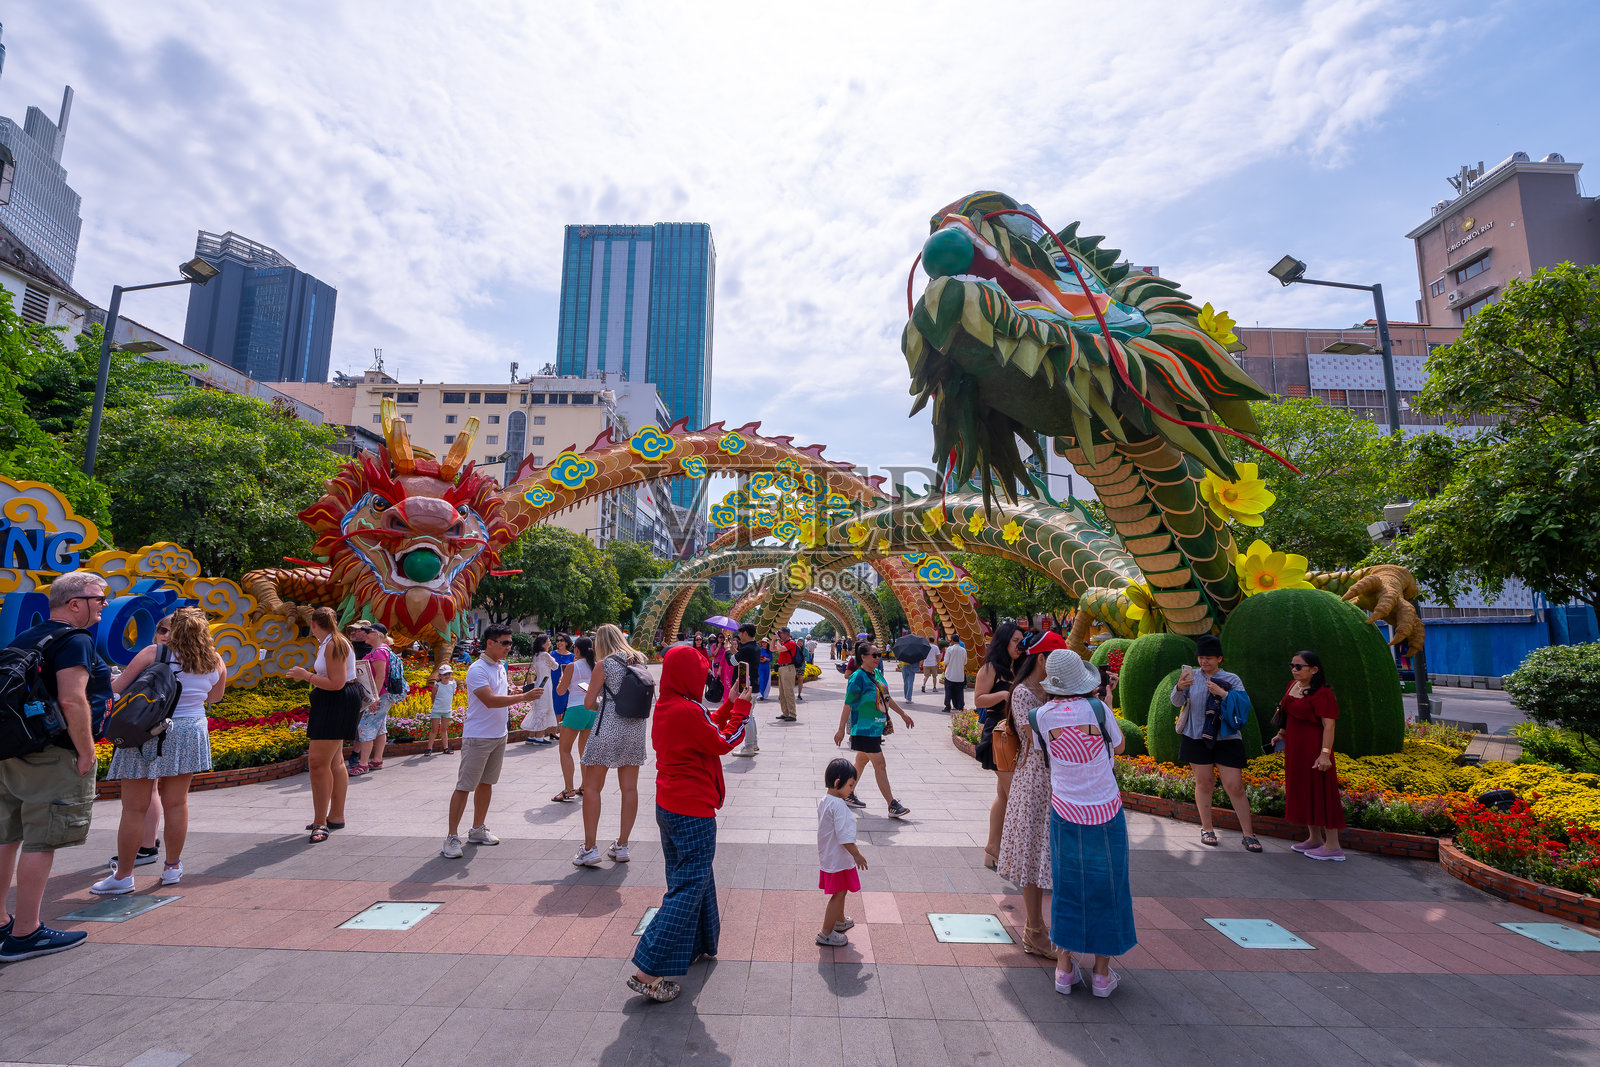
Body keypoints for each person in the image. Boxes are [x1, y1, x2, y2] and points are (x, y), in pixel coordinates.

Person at [627, 644, 751, 1003]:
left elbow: (706, 723)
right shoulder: (684, 708)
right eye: (701, 672)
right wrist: (742, 710)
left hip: (670, 806)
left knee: (693, 879)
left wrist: (729, 703)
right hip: (692, 810)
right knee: (686, 887)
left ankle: (698, 943)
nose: (705, 678)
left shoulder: (672, 704)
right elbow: (721, 741)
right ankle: (646, 971)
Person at [0, 572, 108, 962]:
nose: (104, 606)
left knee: (7, 835)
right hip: (53, 752)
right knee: (41, 840)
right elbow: (72, 701)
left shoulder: (27, 637)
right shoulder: (74, 639)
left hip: (14, 750)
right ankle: (26, 932)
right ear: (75, 603)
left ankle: (1, 924)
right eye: (99, 599)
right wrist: (86, 750)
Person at [92, 606, 226, 895]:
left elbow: (117, 688)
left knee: (133, 808)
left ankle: (124, 876)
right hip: (191, 730)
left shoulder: (155, 653)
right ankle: (172, 867)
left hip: (147, 729)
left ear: (174, 629)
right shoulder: (215, 660)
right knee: (177, 804)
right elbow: (215, 697)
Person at [1034, 649, 1136, 998]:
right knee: (1108, 887)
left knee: (1067, 887)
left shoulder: (1040, 716)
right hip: (1106, 810)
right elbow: (1119, 747)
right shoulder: (1097, 709)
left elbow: (1044, 753)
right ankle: (1102, 976)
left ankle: (1064, 970)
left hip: (1065, 812)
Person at [995, 632, 1068, 957]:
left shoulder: (1056, 691)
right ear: (1042, 659)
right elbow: (1037, 738)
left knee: (1045, 855)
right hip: (1034, 782)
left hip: (1058, 781)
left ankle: (1040, 928)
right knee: (1032, 853)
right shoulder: (1024, 692)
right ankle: (1034, 929)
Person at [441, 624, 536, 858]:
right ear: (490, 643)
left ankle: (477, 829)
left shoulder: (500, 666)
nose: (508, 647)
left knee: (487, 783)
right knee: (465, 786)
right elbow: (489, 700)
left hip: (498, 735)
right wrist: (523, 697)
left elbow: (498, 692)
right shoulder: (477, 669)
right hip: (478, 736)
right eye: (504, 643)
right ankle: (452, 837)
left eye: (510, 643)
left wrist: (514, 690)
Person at [1168, 635, 1262, 853]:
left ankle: (1248, 834)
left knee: (1235, 786)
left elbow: (1242, 706)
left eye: (1209, 658)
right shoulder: (1191, 675)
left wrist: (1223, 693)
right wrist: (1179, 687)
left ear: (1220, 658)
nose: (1204, 662)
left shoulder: (1232, 678)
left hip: (1226, 738)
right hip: (1196, 736)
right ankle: (1207, 828)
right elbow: (1176, 702)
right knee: (1204, 783)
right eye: (1201, 657)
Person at [573, 624, 649, 867]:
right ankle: (623, 845)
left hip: (607, 730)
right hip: (635, 731)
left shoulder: (603, 665)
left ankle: (590, 849)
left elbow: (588, 703)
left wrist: (601, 702)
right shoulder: (640, 660)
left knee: (593, 788)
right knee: (630, 789)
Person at [286, 607, 362, 843]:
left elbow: (336, 683)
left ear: (314, 624)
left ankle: (321, 822)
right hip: (336, 701)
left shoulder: (333, 644)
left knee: (318, 763)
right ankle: (335, 815)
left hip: (335, 701)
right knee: (335, 761)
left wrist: (305, 675)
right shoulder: (332, 642)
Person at [1274, 650, 1346, 861]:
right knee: (1305, 791)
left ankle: (1333, 846)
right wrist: (1281, 734)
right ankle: (1314, 838)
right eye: (1292, 665)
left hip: (1315, 749)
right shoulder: (1292, 686)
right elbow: (1286, 713)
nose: (1294, 670)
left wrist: (1325, 754)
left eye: (1299, 666)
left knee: (1322, 793)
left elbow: (1329, 726)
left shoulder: (1323, 693)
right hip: (1295, 748)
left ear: (1314, 670)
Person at [833, 643, 914, 817]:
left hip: (876, 727)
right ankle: (892, 804)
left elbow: (887, 698)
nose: (878, 658)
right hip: (863, 729)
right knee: (880, 763)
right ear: (863, 656)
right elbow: (848, 704)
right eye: (874, 655)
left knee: (861, 762)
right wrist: (840, 729)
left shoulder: (876, 674)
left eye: (879, 655)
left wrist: (903, 714)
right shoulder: (857, 678)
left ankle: (846, 794)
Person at [975, 622, 1024, 868]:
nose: (1019, 645)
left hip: (1015, 735)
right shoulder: (991, 668)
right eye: (1015, 640)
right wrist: (1005, 695)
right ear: (1004, 641)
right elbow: (979, 699)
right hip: (999, 735)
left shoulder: (1020, 667)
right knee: (1016, 794)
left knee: (1004, 795)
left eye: (1021, 640)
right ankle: (1013, 852)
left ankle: (993, 849)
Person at [816, 757, 869, 948]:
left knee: (842, 891)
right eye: (850, 785)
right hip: (838, 859)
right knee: (838, 894)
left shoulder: (826, 800)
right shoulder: (839, 806)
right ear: (838, 782)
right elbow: (844, 836)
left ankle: (838, 920)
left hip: (830, 856)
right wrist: (857, 854)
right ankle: (826, 933)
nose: (852, 790)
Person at [551, 636, 595, 803]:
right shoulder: (596, 666)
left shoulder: (572, 666)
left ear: (576, 650)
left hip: (576, 708)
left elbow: (561, 691)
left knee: (565, 750)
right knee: (584, 751)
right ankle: (584, 786)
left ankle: (568, 788)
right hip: (592, 710)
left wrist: (561, 680)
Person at [350, 623, 397, 774]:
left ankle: (363, 764)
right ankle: (377, 759)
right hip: (384, 695)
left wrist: (374, 698)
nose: (366, 634)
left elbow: (380, 675)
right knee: (380, 727)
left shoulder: (378, 653)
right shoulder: (382, 650)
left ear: (377, 635)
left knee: (365, 727)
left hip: (379, 696)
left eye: (368, 632)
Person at [520, 633, 559, 746]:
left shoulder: (536, 655)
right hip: (546, 683)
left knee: (537, 708)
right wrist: (552, 656)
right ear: (543, 644)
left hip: (538, 683)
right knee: (544, 708)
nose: (550, 643)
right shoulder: (545, 655)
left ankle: (531, 736)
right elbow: (555, 666)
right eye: (548, 641)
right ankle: (539, 737)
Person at [731, 624, 762, 757]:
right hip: (753, 685)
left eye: (741, 634)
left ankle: (748, 746)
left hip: (747, 687)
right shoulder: (755, 647)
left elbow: (732, 661)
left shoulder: (747, 648)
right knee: (750, 715)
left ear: (745, 633)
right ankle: (753, 743)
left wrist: (728, 650)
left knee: (746, 717)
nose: (740, 637)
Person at [426, 664, 456, 754]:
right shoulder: (437, 685)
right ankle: (429, 748)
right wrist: (436, 705)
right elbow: (433, 697)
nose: (447, 676)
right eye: (445, 674)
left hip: (447, 710)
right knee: (434, 730)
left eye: (449, 674)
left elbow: (452, 696)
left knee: (444, 729)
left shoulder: (452, 684)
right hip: (437, 710)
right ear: (440, 676)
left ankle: (446, 748)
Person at [550, 633, 576, 725]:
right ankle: (555, 728)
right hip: (553, 684)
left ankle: (564, 727)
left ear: (566, 642)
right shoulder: (552, 654)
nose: (559, 642)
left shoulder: (572, 656)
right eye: (557, 640)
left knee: (566, 706)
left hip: (566, 684)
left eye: (561, 640)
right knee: (555, 706)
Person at [775, 627, 801, 721]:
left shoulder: (791, 643)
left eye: (781, 633)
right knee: (782, 692)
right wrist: (774, 639)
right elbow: (772, 648)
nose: (780, 635)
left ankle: (792, 714)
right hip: (782, 668)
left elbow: (781, 649)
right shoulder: (782, 643)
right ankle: (785, 712)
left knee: (788, 692)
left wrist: (777, 640)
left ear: (786, 634)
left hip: (788, 668)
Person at [942, 636, 968, 712]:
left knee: (948, 691)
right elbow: (965, 662)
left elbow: (946, 661)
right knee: (960, 692)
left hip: (950, 674)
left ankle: (947, 706)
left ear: (952, 640)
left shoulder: (949, 649)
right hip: (960, 675)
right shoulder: (963, 650)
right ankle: (960, 707)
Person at [757, 635, 773, 702]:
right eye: (763, 642)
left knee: (766, 680)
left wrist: (766, 659)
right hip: (760, 666)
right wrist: (759, 659)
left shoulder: (769, 651)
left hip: (766, 667)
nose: (763, 644)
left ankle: (764, 694)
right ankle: (760, 694)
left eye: (765, 642)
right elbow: (756, 657)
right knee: (761, 679)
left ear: (767, 644)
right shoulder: (759, 650)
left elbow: (771, 659)